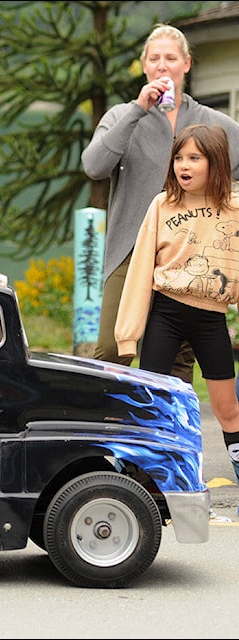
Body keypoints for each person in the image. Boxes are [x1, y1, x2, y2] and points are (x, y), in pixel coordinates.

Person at [81, 23, 239, 383]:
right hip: (129, 251)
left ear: (186, 64)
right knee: (110, 349)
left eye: (171, 58)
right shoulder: (122, 116)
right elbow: (94, 166)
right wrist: (138, 108)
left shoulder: (213, 123)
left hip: (189, 254)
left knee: (177, 364)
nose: (163, 65)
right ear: (144, 65)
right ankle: (109, 429)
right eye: (155, 58)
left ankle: (169, 438)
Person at [115, 123, 239, 486]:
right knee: (149, 401)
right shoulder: (162, 204)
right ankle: (138, 478)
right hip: (166, 314)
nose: (183, 165)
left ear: (215, 163)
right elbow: (140, 272)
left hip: (212, 318)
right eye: (179, 158)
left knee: (227, 408)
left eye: (194, 158)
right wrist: (128, 334)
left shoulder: (234, 207)